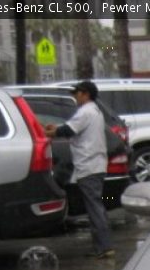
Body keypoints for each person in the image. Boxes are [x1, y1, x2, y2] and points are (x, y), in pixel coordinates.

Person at [44, 80, 114, 259]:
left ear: (86, 94)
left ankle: (104, 247)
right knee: (96, 205)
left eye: (77, 93)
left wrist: (45, 132)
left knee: (94, 207)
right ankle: (102, 246)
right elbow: (71, 128)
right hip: (95, 164)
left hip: (89, 165)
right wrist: (57, 128)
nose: (75, 96)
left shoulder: (86, 111)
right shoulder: (94, 111)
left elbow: (68, 130)